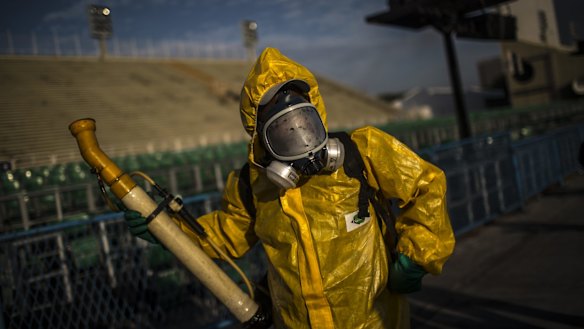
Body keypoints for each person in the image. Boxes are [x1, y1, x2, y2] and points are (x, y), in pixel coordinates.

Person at [125, 47, 455, 329]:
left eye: (305, 125)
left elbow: (426, 183)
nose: (302, 142)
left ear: (318, 114)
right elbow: (225, 236)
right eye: (285, 132)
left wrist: (416, 256)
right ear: (261, 141)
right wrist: (166, 228)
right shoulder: (253, 185)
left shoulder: (362, 151)